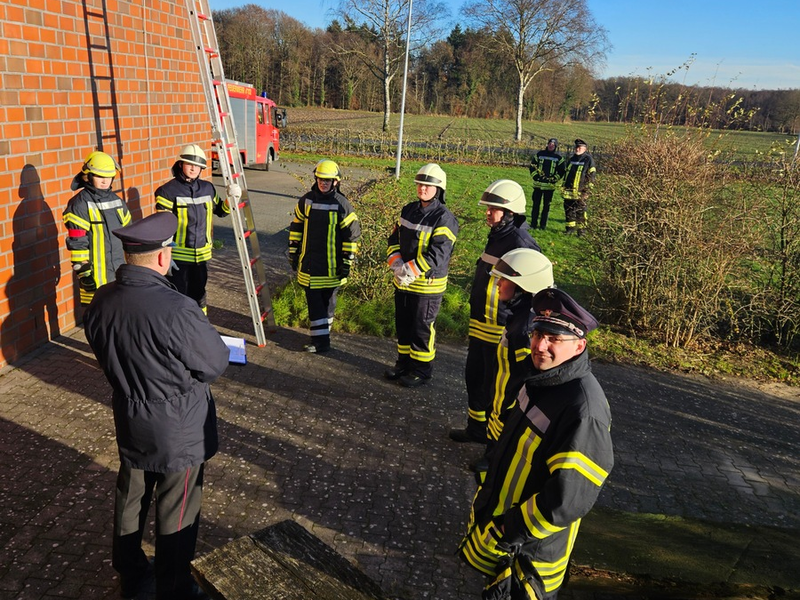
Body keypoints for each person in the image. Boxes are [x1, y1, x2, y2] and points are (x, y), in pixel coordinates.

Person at [83, 212, 228, 600]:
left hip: (131, 415)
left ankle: (131, 574)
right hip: (177, 428)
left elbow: (101, 348)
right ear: (163, 257)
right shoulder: (176, 308)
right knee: (177, 509)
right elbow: (214, 362)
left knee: (130, 496)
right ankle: (175, 588)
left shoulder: (102, 298)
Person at [458, 287, 613, 600]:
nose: (540, 346)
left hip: (529, 557)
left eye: (554, 339)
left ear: (580, 345)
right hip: (508, 542)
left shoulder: (583, 409)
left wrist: (508, 528)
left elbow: (567, 499)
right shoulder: (541, 379)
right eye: (538, 333)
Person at [449, 180, 540, 445]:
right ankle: (476, 429)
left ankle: (494, 446)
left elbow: (529, 292)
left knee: (497, 390)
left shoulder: (521, 243)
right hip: (481, 325)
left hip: (501, 330)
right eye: (488, 208)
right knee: (475, 379)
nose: (488, 212)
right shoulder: (499, 236)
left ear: (510, 212)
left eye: (494, 209)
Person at [473, 248, 554, 474]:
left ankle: (496, 462)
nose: (498, 285)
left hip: (510, 398)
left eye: (504, 281)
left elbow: (525, 376)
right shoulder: (519, 316)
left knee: (504, 428)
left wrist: (509, 403)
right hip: (501, 393)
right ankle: (492, 455)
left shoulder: (525, 329)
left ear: (523, 287)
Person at [385, 163, 459, 387]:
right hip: (403, 282)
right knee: (404, 326)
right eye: (420, 184)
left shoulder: (444, 218)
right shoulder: (408, 210)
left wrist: (410, 270)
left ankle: (422, 371)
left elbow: (439, 254)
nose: (423, 188)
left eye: (428, 185)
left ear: (439, 189)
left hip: (427, 286)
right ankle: (404, 364)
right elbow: (393, 240)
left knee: (422, 329)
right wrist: (396, 263)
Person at [288, 159, 361, 353]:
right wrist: (293, 252)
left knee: (328, 304)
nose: (323, 183)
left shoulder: (342, 205)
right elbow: (296, 227)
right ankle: (321, 342)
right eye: (320, 179)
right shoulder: (306, 200)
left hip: (332, 267)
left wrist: (347, 262)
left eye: (328, 180)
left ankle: (322, 336)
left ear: (336, 182)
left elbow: (352, 236)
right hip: (310, 265)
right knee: (315, 304)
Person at [154, 143, 231, 313]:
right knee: (178, 296)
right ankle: (178, 333)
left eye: (197, 166)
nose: (193, 168)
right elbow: (162, 228)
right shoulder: (167, 192)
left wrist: (230, 200)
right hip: (178, 258)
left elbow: (221, 211)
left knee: (200, 295)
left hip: (202, 256)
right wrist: (165, 256)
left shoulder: (208, 188)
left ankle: (199, 326)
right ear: (180, 164)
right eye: (190, 164)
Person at [63, 150, 131, 305]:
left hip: (119, 274)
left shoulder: (118, 202)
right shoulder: (79, 205)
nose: (105, 180)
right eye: (100, 176)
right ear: (88, 176)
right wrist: (83, 273)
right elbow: (77, 242)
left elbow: (129, 236)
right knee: (98, 322)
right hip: (95, 278)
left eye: (108, 176)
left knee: (119, 319)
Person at [561, 138, 596, 236]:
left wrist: (587, 191)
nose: (577, 149)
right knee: (569, 211)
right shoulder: (571, 159)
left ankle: (582, 231)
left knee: (581, 212)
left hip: (581, 192)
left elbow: (592, 175)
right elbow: (566, 175)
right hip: (569, 191)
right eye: (576, 147)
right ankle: (570, 229)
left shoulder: (588, 160)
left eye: (579, 147)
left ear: (585, 149)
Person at [528, 138, 565, 230]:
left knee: (546, 207)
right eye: (550, 144)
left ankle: (543, 226)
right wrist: (535, 176)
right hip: (538, 186)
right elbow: (532, 166)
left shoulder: (559, 158)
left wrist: (553, 179)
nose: (551, 146)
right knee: (535, 206)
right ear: (547, 144)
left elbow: (561, 171)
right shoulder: (539, 154)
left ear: (555, 146)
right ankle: (533, 224)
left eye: (553, 144)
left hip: (549, 187)